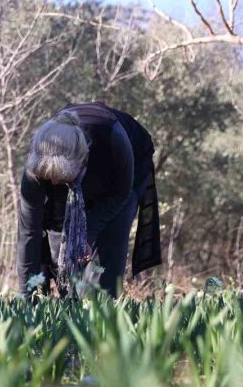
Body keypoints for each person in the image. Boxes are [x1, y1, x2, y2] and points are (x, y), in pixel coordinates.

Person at [16, 102, 162, 298]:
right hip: (73, 170)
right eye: (49, 177)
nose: (54, 182)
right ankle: (68, 301)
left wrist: (88, 235)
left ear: (81, 161)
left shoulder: (114, 141)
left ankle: (100, 305)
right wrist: (26, 296)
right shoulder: (37, 165)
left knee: (109, 248)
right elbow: (29, 233)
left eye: (59, 176)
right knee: (59, 248)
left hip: (122, 176)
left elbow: (120, 195)